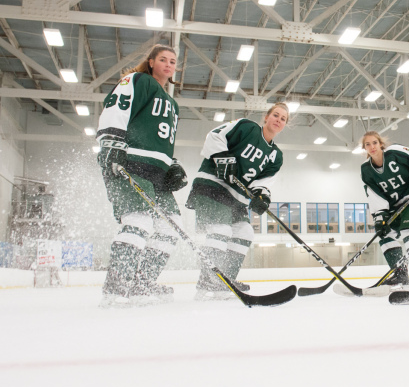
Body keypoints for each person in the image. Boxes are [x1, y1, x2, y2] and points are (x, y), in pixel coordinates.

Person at [96, 44, 187, 307]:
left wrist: (172, 163)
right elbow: (116, 108)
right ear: (150, 62)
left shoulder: (172, 103)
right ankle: (115, 288)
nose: (169, 65)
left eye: (173, 61)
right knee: (139, 222)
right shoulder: (138, 80)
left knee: (170, 229)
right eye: (163, 59)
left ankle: (141, 283)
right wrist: (111, 144)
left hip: (157, 174)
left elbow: (158, 137)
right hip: (130, 162)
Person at [185, 103, 288, 300]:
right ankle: (208, 281)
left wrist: (261, 196)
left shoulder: (276, 156)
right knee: (220, 230)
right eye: (276, 115)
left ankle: (225, 280)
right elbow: (215, 135)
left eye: (283, 119)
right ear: (266, 117)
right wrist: (223, 158)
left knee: (245, 231)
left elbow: (263, 182)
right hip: (213, 185)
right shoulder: (246, 127)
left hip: (237, 197)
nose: (278, 120)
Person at [360, 132, 409, 290]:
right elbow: (374, 195)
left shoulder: (396, 152)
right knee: (384, 234)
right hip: (396, 208)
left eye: (374, 142)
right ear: (364, 148)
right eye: (368, 144)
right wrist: (379, 217)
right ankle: (401, 275)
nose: (372, 147)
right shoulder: (366, 169)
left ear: (381, 144)